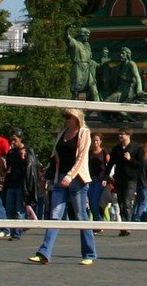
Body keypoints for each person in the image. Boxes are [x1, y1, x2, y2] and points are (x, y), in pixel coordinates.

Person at [29, 105, 97, 265]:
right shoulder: (62, 133)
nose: (65, 119)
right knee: (55, 215)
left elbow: (81, 158)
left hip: (77, 180)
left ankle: (89, 254)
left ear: (76, 118)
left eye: (68, 117)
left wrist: (70, 175)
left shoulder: (84, 133)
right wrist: (48, 172)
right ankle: (44, 252)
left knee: (81, 216)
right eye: (64, 117)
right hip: (60, 177)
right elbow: (55, 154)